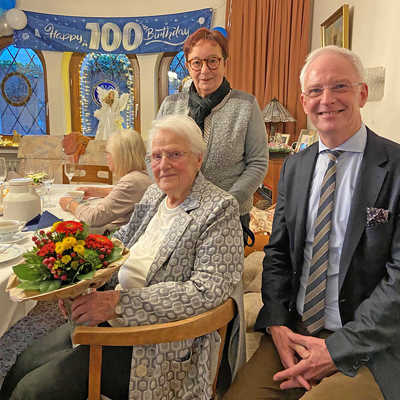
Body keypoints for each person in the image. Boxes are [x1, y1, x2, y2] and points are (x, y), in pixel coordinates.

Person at [1, 114, 245, 400]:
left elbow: (207, 291)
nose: (163, 165)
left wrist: (118, 304)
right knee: (21, 365)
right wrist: (78, 281)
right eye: (156, 156)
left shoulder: (219, 209)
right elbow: (119, 243)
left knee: (32, 391)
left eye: (175, 154)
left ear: (198, 158)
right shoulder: (155, 195)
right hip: (113, 316)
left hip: (161, 345)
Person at [223, 46, 400, 400]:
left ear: (362, 93)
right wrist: (276, 322)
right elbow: (276, 254)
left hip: (368, 344)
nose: (327, 100)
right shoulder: (295, 166)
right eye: (316, 91)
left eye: (340, 87)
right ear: (303, 101)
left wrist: (337, 349)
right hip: (296, 331)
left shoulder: (394, 166)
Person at [158, 27, 268, 246]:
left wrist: (225, 203)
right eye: (196, 62)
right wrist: (170, 195)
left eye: (212, 61)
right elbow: (152, 157)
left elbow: (258, 163)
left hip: (229, 215)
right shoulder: (170, 106)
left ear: (224, 62)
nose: (204, 70)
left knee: (221, 279)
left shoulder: (246, 106)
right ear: (188, 66)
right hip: (176, 212)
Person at [59, 129, 151, 231]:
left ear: (120, 156)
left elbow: (93, 218)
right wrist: (97, 191)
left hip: (112, 236)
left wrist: (69, 204)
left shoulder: (132, 181)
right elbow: (125, 193)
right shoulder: (142, 175)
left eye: (108, 153)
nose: (107, 158)